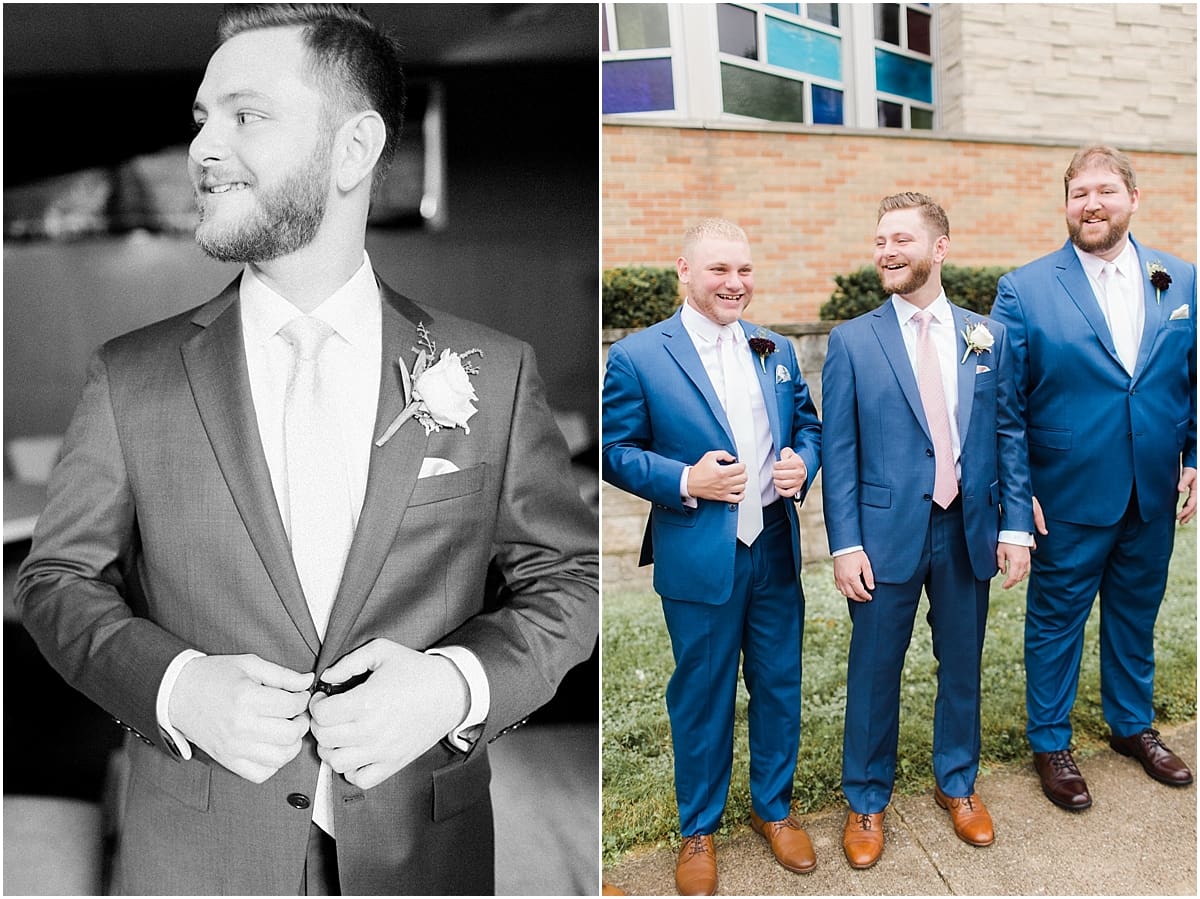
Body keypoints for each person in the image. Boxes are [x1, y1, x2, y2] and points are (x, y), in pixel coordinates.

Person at [15, 5, 597, 895]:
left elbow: (572, 577)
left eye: (246, 116)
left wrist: (455, 685)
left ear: (354, 147)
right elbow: (54, 580)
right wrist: (175, 687)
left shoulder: (497, 372)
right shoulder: (129, 376)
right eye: (201, 120)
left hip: (424, 855)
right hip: (196, 858)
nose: (204, 149)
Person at [602, 218, 822, 896]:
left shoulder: (776, 348)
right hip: (701, 553)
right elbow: (615, 449)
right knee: (702, 692)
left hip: (775, 549)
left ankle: (773, 808)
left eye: (745, 271)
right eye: (720, 270)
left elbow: (808, 426)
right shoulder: (639, 355)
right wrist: (684, 480)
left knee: (780, 683)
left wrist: (800, 465)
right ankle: (699, 827)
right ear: (685, 271)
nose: (736, 283)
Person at [821, 193, 1033, 869]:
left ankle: (958, 784)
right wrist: (845, 542)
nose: (887, 250)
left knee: (963, 667)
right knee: (875, 671)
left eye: (902, 239)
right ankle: (865, 797)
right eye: (881, 239)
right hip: (883, 537)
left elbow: (1007, 433)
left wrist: (1018, 525)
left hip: (969, 527)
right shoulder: (852, 340)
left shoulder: (986, 336)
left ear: (939, 248)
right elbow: (840, 452)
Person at [990, 145, 1196, 811]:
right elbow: (1004, 408)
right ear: (1067, 204)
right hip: (1067, 494)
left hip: (1153, 486)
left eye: (1106, 190)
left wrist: (1194, 457)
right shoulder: (1025, 288)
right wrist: (1018, 501)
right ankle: (1051, 740)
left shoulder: (1181, 279)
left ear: (1133, 199)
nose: (1093, 203)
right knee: (1056, 621)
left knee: (1137, 612)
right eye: (1080, 192)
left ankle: (1132, 725)